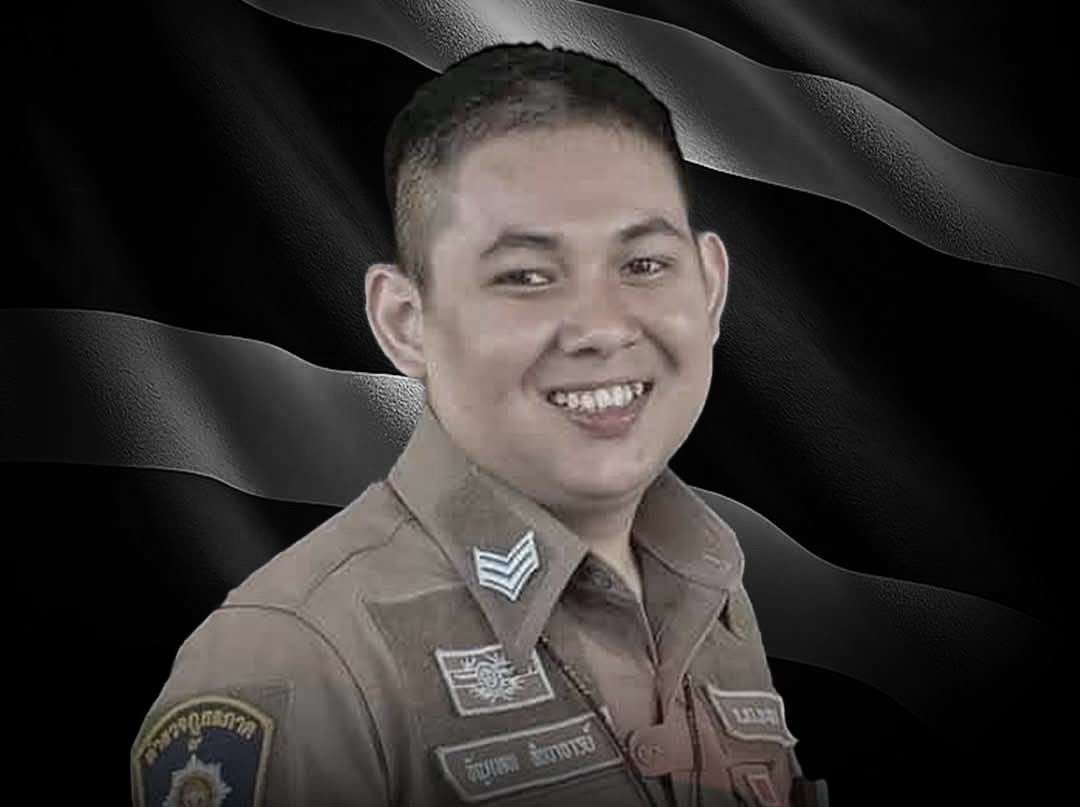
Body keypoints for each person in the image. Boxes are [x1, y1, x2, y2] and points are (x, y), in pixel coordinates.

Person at [130, 42, 829, 807]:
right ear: (406, 323)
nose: (601, 327)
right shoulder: (296, 655)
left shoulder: (712, 595)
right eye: (525, 276)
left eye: (643, 264)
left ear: (712, 288)